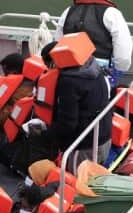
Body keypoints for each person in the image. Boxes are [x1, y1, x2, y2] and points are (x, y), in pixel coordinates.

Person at [48, 33, 112, 164]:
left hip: (83, 147)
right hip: (104, 138)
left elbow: (68, 123)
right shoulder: (96, 68)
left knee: (75, 183)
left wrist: (45, 134)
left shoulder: (69, 82)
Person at [57, 0, 133, 88]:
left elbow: (58, 42)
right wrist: (119, 69)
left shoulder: (68, 11)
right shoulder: (112, 13)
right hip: (98, 76)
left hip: (67, 74)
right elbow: (123, 46)